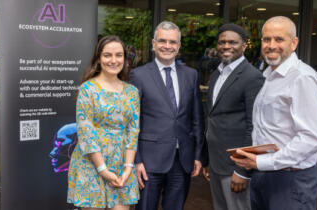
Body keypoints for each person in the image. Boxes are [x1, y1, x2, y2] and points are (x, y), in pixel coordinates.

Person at [230, 16, 317, 210]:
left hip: (291, 180)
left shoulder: (302, 78)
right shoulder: (268, 76)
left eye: (279, 39)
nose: (271, 45)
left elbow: (311, 139)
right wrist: (254, 161)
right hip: (265, 174)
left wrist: (263, 162)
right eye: (266, 39)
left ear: (294, 43)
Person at [130, 21, 204, 210]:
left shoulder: (191, 75)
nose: (167, 46)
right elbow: (132, 121)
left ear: (178, 46)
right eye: (162, 41)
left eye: (172, 42)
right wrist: (136, 160)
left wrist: (197, 155)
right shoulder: (138, 75)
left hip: (182, 161)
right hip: (148, 162)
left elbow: (196, 118)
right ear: (153, 44)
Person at [67, 35, 140, 210]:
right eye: (107, 55)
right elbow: (86, 132)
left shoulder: (132, 92)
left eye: (119, 55)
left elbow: (133, 130)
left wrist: (128, 167)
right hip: (92, 164)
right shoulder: (87, 89)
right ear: (99, 59)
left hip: (122, 164)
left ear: (125, 58)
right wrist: (102, 169)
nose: (114, 60)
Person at [202, 23, 264, 210]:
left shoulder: (253, 77)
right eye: (222, 42)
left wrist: (242, 171)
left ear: (244, 46)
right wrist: (207, 160)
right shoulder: (216, 75)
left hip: (235, 166)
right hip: (216, 163)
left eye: (232, 42)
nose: (226, 46)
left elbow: (253, 127)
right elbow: (212, 118)